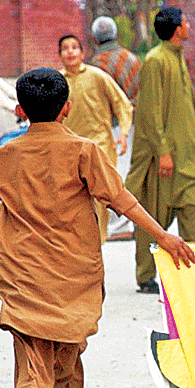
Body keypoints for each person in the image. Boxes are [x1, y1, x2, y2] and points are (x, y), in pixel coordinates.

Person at [0, 67, 195, 388]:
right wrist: (163, 236)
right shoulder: (83, 151)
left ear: (21, 110)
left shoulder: (6, 156)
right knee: (65, 369)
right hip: (74, 281)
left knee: (37, 366)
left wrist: (2, 212)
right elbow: (121, 200)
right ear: (66, 109)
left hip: (23, 281)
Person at [126, 6, 195, 295]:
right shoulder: (156, 61)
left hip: (187, 156)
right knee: (153, 218)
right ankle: (146, 275)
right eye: (186, 22)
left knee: (194, 209)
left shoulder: (177, 58)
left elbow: (187, 111)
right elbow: (149, 113)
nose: (189, 25)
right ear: (177, 29)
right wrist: (163, 151)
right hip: (162, 159)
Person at [59, 34, 134, 244]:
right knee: (74, 199)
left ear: (83, 53)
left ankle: (98, 243)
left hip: (100, 145)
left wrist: (124, 134)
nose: (70, 52)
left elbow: (123, 104)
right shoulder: (57, 81)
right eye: (65, 48)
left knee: (101, 197)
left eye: (75, 47)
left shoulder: (97, 76)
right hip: (69, 148)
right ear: (60, 55)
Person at [89, 16, 143, 241]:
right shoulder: (132, 59)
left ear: (95, 39)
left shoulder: (96, 65)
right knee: (128, 172)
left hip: (109, 127)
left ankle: (116, 224)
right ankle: (125, 223)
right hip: (132, 123)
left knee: (111, 174)